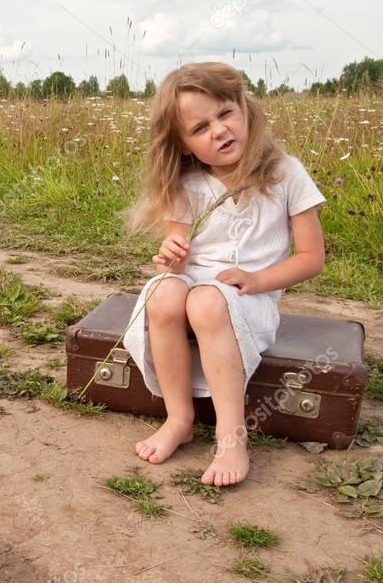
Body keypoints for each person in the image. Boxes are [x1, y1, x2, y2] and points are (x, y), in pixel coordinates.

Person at [121, 62, 326, 487]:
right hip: (193, 287)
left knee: (207, 299)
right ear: (183, 145)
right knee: (163, 294)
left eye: (225, 113)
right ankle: (179, 417)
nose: (218, 130)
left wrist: (257, 280)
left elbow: (311, 257)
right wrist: (170, 258)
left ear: (246, 109)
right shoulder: (188, 184)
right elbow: (177, 261)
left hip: (246, 299)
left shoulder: (286, 174)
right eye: (199, 128)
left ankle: (231, 436)